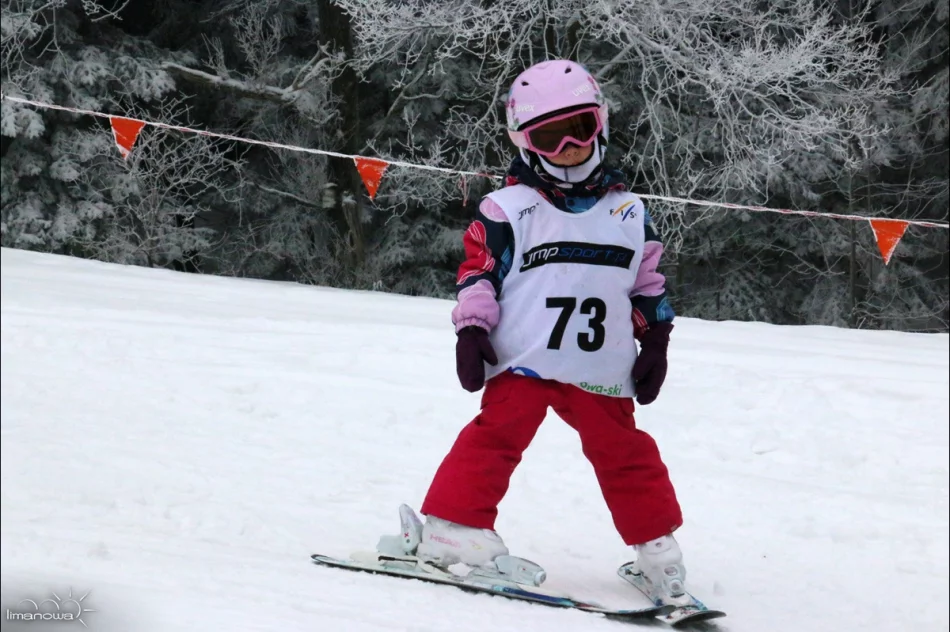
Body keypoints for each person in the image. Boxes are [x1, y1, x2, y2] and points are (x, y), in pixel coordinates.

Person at [378, 59, 686, 604]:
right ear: (525, 142)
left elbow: (647, 282)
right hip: (527, 356)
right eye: (549, 135)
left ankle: (657, 550)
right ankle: (456, 525)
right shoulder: (509, 209)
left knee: (626, 453)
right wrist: (472, 329)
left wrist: (655, 340)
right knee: (497, 435)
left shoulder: (630, 213)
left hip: (599, 365)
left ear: (602, 125)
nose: (567, 144)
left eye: (581, 128)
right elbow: (479, 275)